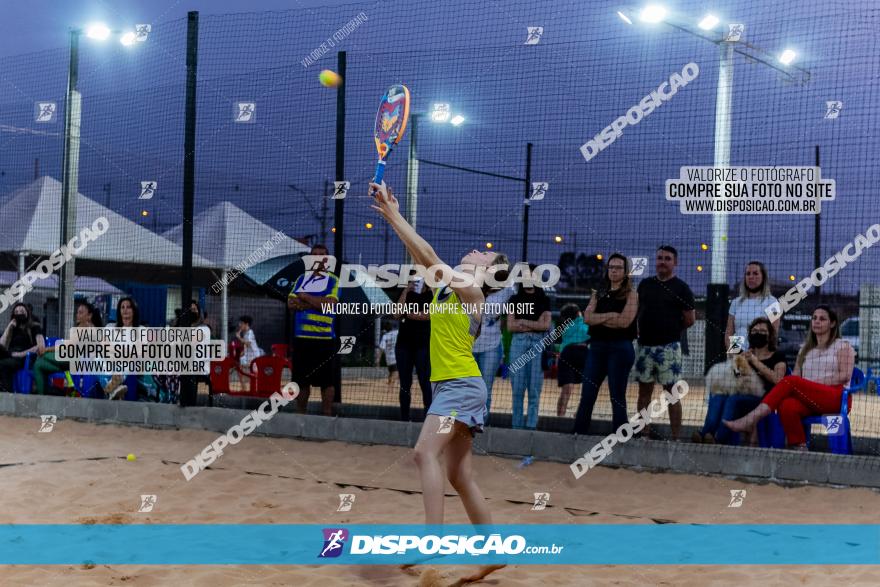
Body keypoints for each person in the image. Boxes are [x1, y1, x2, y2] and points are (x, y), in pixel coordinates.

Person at [370, 180, 509, 560]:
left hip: (459, 389)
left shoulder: (473, 293)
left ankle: (432, 544)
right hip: (460, 388)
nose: (478, 250)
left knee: (424, 454)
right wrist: (391, 212)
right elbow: (421, 258)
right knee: (459, 476)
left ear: (487, 274)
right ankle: (494, 551)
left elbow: (430, 255)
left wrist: (394, 214)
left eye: (485, 255)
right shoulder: (449, 289)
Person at [724, 305, 855, 449]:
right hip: (810, 399)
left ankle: (751, 419)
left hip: (835, 398)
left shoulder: (843, 345)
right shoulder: (805, 349)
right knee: (786, 404)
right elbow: (796, 377)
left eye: (822, 319)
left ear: (832, 323)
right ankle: (799, 445)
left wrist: (808, 383)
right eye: (814, 318)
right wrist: (803, 384)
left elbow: (845, 375)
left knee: (791, 381)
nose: (817, 322)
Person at [633, 246, 695, 440]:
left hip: (669, 347)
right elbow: (635, 310)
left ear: (675, 262)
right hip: (644, 346)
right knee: (644, 392)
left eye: (667, 258)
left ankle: (676, 437)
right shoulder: (645, 284)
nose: (662, 261)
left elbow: (690, 319)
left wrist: (670, 330)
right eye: (659, 258)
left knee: (672, 394)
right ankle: (644, 432)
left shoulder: (682, 288)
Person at [694, 316, 786, 445]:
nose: (757, 334)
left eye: (762, 331)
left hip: (764, 401)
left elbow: (778, 380)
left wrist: (754, 361)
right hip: (741, 394)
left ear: (770, 335)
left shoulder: (778, 355)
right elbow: (734, 378)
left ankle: (719, 438)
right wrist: (738, 364)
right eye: (754, 331)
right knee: (718, 397)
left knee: (733, 399)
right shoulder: (742, 354)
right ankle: (704, 434)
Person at [573, 253, 638, 433]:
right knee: (587, 394)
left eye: (618, 268)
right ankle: (578, 433)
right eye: (611, 267)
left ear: (625, 272)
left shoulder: (632, 295)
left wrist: (598, 319)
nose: (614, 271)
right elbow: (587, 317)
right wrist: (610, 316)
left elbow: (625, 322)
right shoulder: (598, 292)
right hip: (597, 347)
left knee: (617, 396)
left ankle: (620, 435)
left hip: (621, 348)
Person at [288, 244, 339, 416]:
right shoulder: (301, 279)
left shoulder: (334, 280)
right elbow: (291, 303)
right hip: (302, 338)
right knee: (301, 381)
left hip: (325, 340)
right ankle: (301, 416)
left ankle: (326, 416)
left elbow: (330, 305)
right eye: (314, 255)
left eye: (322, 255)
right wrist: (317, 301)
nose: (318, 258)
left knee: (327, 381)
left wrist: (306, 297)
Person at [506, 265, 552, 429]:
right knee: (517, 390)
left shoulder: (544, 300)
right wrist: (535, 324)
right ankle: (516, 427)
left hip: (537, 345)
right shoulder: (514, 299)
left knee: (534, 391)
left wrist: (523, 322)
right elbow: (510, 326)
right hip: (518, 343)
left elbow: (546, 325)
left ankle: (531, 427)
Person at [32, 301, 102, 395]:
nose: (77, 315)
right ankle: (42, 397)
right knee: (39, 365)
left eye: (81, 313)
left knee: (43, 356)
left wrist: (46, 349)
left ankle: (42, 397)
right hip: (69, 361)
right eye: (77, 312)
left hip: (78, 362)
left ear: (89, 316)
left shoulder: (90, 329)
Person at [394, 277, 433, 421]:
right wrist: (405, 291)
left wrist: (411, 314)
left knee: (426, 382)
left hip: (424, 344)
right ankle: (404, 419)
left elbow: (431, 315)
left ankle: (428, 419)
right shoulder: (405, 291)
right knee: (405, 383)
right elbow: (396, 313)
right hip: (404, 344)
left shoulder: (432, 293)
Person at [472, 285, 514, 414]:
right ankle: (465, 422)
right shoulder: (473, 287)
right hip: (468, 347)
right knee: (468, 388)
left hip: (491, 347)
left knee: (486, 389)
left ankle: (481, 423)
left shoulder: (507, 290)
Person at [725, 261, 780, 351]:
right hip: (738, 356)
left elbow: (774, 333)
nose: (751, 277)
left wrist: (759, 356)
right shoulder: (736, 303)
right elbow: (729, 332)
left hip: (760, 355)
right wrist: (736, 353)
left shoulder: (772, 302)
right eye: (748, 274)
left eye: (755, 274)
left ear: (763, 277)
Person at [0, 302, 45, 393]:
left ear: (27, 313)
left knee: (2, 364)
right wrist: (9, 326)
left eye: (21, 310)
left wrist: (20, 354)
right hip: (10, 354)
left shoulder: (34, 326)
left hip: (24, 358)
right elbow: (2, 345)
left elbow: (40, 346)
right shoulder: (13, 328)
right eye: (16, 311)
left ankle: (7, 392)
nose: (19, 313)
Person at [555, 303, 589, 417]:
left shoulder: (564, 326)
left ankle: (560, 418)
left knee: (566, 390)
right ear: (577, 313)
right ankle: (578, 414)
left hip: (567, 355)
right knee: (588, 390)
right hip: (581, 354)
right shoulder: (583, 322)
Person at [103, 297, 141, 400]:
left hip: (127, 366)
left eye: (128, 307)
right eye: (122, 307)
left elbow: (136, 353)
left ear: (134, 310)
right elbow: (103, 347)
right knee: (96, 359)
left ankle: (113, 386)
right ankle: (115, 388)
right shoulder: (110, 327)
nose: (125, 309)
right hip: (109, 363)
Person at [378, 325, 399, 392]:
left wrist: (378, 359)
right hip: (396, 356)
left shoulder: (385, 336)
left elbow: (381, 348)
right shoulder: (396, 332)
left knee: (391, 372)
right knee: (396, 372)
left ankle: (390, 386)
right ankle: (391, 387)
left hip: (388, 359)